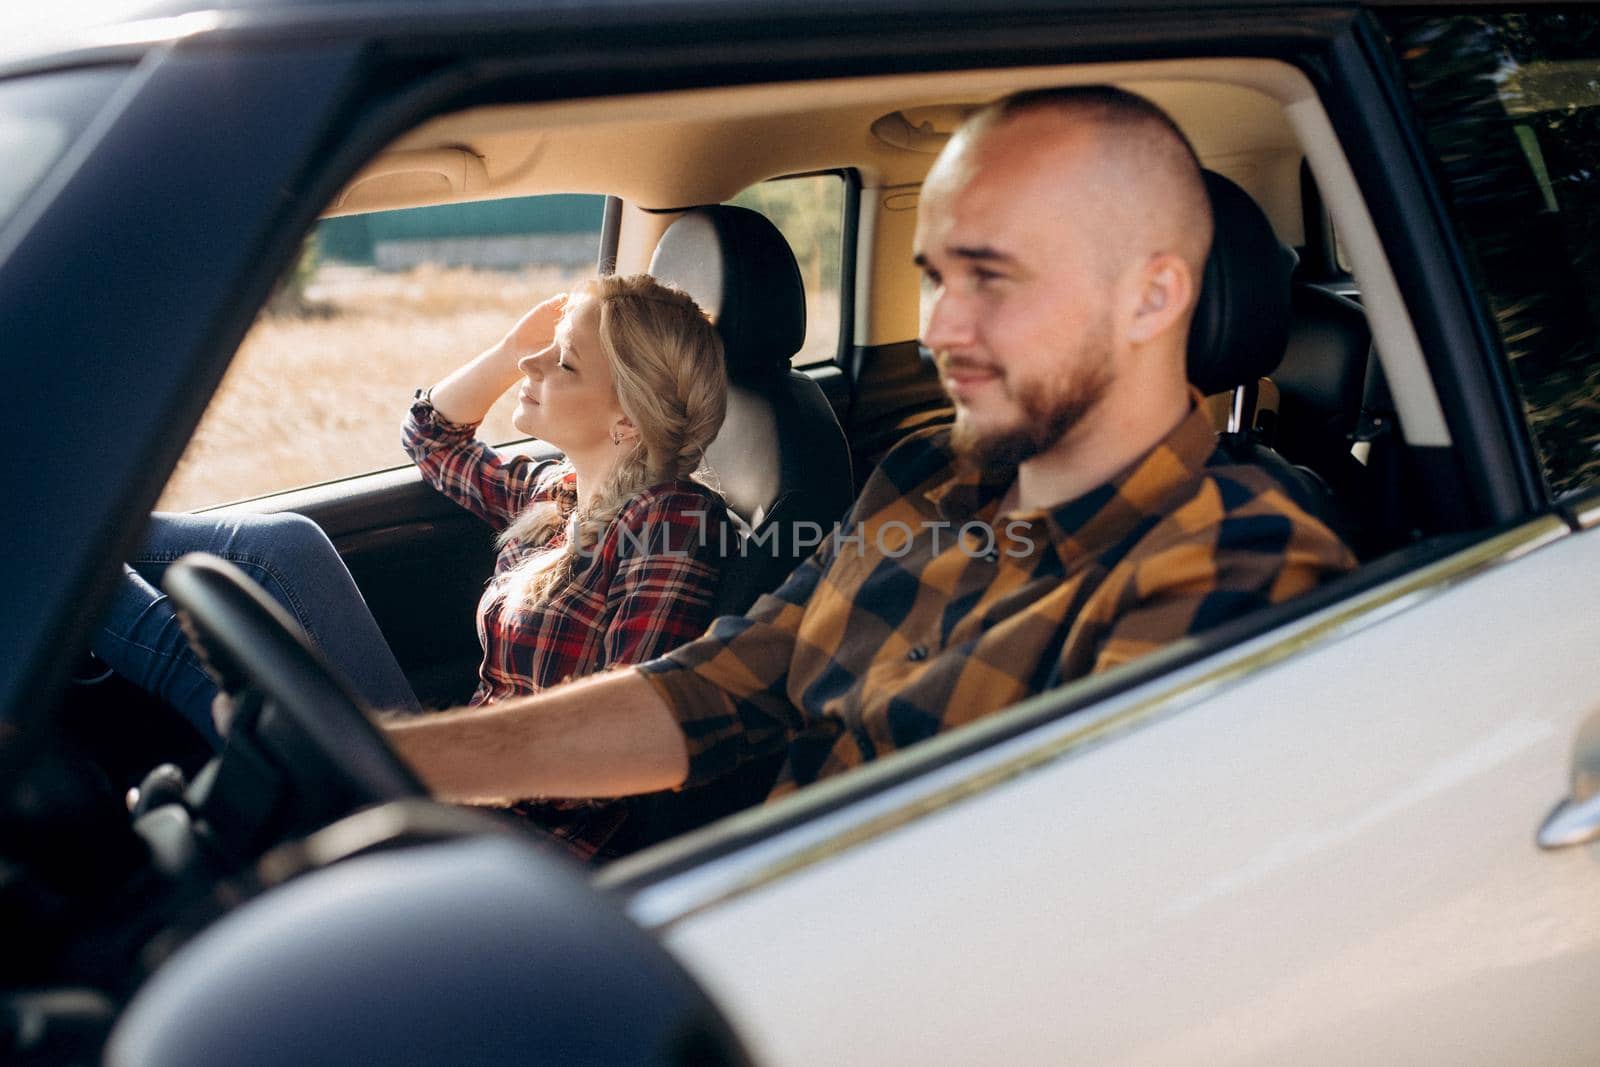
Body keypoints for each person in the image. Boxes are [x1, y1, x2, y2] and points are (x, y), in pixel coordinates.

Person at [376, 86, 1356, 811]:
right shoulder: (930, 474)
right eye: (936, 278)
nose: (938, 330)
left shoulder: (1239, 569)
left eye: (993, 279)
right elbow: (732, 683)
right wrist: (397, 767)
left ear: (1150, 297)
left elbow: (1042, 900)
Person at [93, 274, 732, 818]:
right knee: (287, 545)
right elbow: (433, 437)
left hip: (510, 831)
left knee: (195, 663)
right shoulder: (560, 492)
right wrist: (513, 345)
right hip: (457, 774)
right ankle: (83, 540)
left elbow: (621, 744)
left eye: (562, 362)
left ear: (628, 420)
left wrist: (421, 773)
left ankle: (55, 561)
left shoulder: (670, 522)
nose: (528, 368)